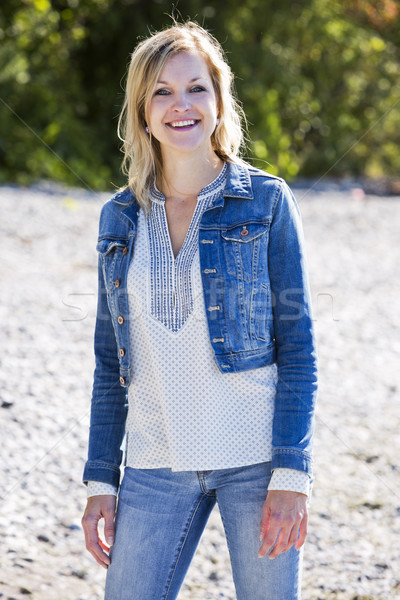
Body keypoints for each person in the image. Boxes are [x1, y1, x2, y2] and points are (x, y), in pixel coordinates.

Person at [81, 20, 318, 600]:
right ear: (141, 110)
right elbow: (111, 367)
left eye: (195, 88)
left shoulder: (265, 201)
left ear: (218, 100)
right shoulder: (121, 217)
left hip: (255, 464)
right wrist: (99, 481)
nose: (180, 105)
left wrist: (293, 475)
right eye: (162, 91)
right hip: (155, 463)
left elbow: (299, 349)